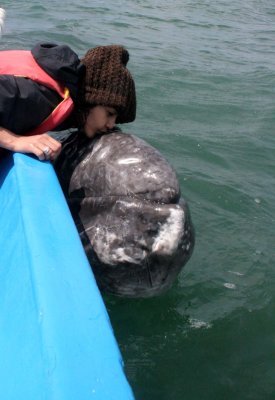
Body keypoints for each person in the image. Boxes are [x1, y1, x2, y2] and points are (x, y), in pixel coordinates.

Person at [0, 42, 136, 161]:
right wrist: (14, 141)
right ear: (90, 100)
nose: (111, 125)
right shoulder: (40, 96)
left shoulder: (67, 88)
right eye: (109, 113)